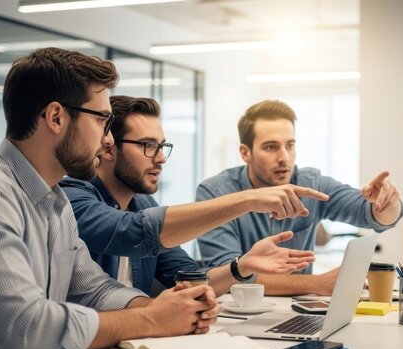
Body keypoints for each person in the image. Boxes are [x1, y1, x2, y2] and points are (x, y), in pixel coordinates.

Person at [0, 48, 222, 349]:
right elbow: (26, 329)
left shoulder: (55, 201)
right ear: (56, 117)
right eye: (102, 121)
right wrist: (151, 319)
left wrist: (165, 309)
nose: (108, 140)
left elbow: (93, 289)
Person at [60, 95, 324, 296]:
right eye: (148, 146)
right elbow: (132, 231)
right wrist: (249, 199)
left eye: (162, 146)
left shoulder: (141, 203)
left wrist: (241, 267)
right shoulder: (71, 198)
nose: (162, 158)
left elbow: (192, 277)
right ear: (108, 149)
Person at [196, 99, 403, 295]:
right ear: (245, 152)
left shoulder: (311, 184)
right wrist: (318, 284)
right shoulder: (216, 193)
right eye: (271, 147)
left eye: (290, 145)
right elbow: (227, 274)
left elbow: (374, 216)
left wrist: (386, 202)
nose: (284, 158)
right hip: (235, 316)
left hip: (299, 314)